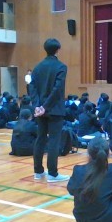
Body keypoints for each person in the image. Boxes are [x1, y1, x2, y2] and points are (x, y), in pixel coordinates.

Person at [30, 38, 69, 182]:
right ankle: (52, 173)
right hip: (54, 109)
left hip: (40, 110)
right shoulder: (61, 66)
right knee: (53, 140)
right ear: (58, 50)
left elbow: (32, 87)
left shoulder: (37, 67)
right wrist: (45, 107)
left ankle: (38, 172)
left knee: (40, 139)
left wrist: (38, 106)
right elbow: (57, 89)